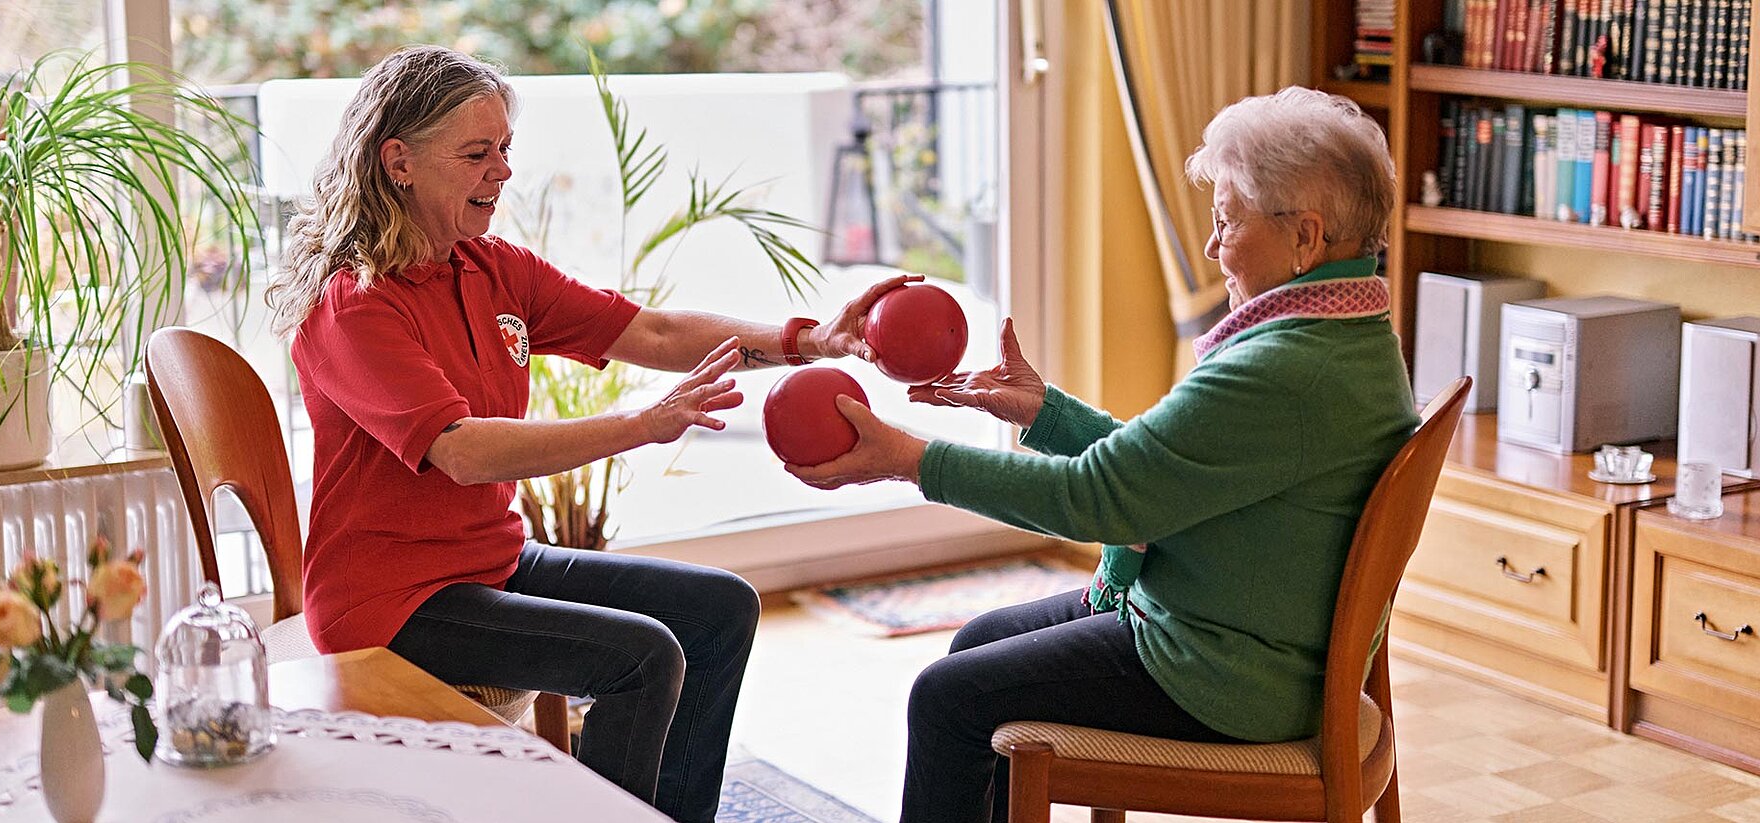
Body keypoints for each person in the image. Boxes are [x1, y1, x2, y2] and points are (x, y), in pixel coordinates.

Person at [269, 45, 911, 823]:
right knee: (642, 658)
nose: (501, 172)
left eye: (504, 150)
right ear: (397, 161)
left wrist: (809, 340)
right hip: (390, 603)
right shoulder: (353, 304)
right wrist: (642, 425)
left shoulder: (491, 267)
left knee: (722, 609)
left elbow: (655, 330)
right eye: (477, 153)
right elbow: (463, 451)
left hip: (486, 561)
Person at [785, 86, 1419, 823]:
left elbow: (1096, 498)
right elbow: (1164, 469)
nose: (1213, 247)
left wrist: (908, 458)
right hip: (1241, 636)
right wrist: (1044, 412)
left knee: (945, 696)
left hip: (1226, 674)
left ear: (1306, 238)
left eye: (1226, 221)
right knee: (973, 646)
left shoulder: (1285, 368)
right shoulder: (1347, 332)